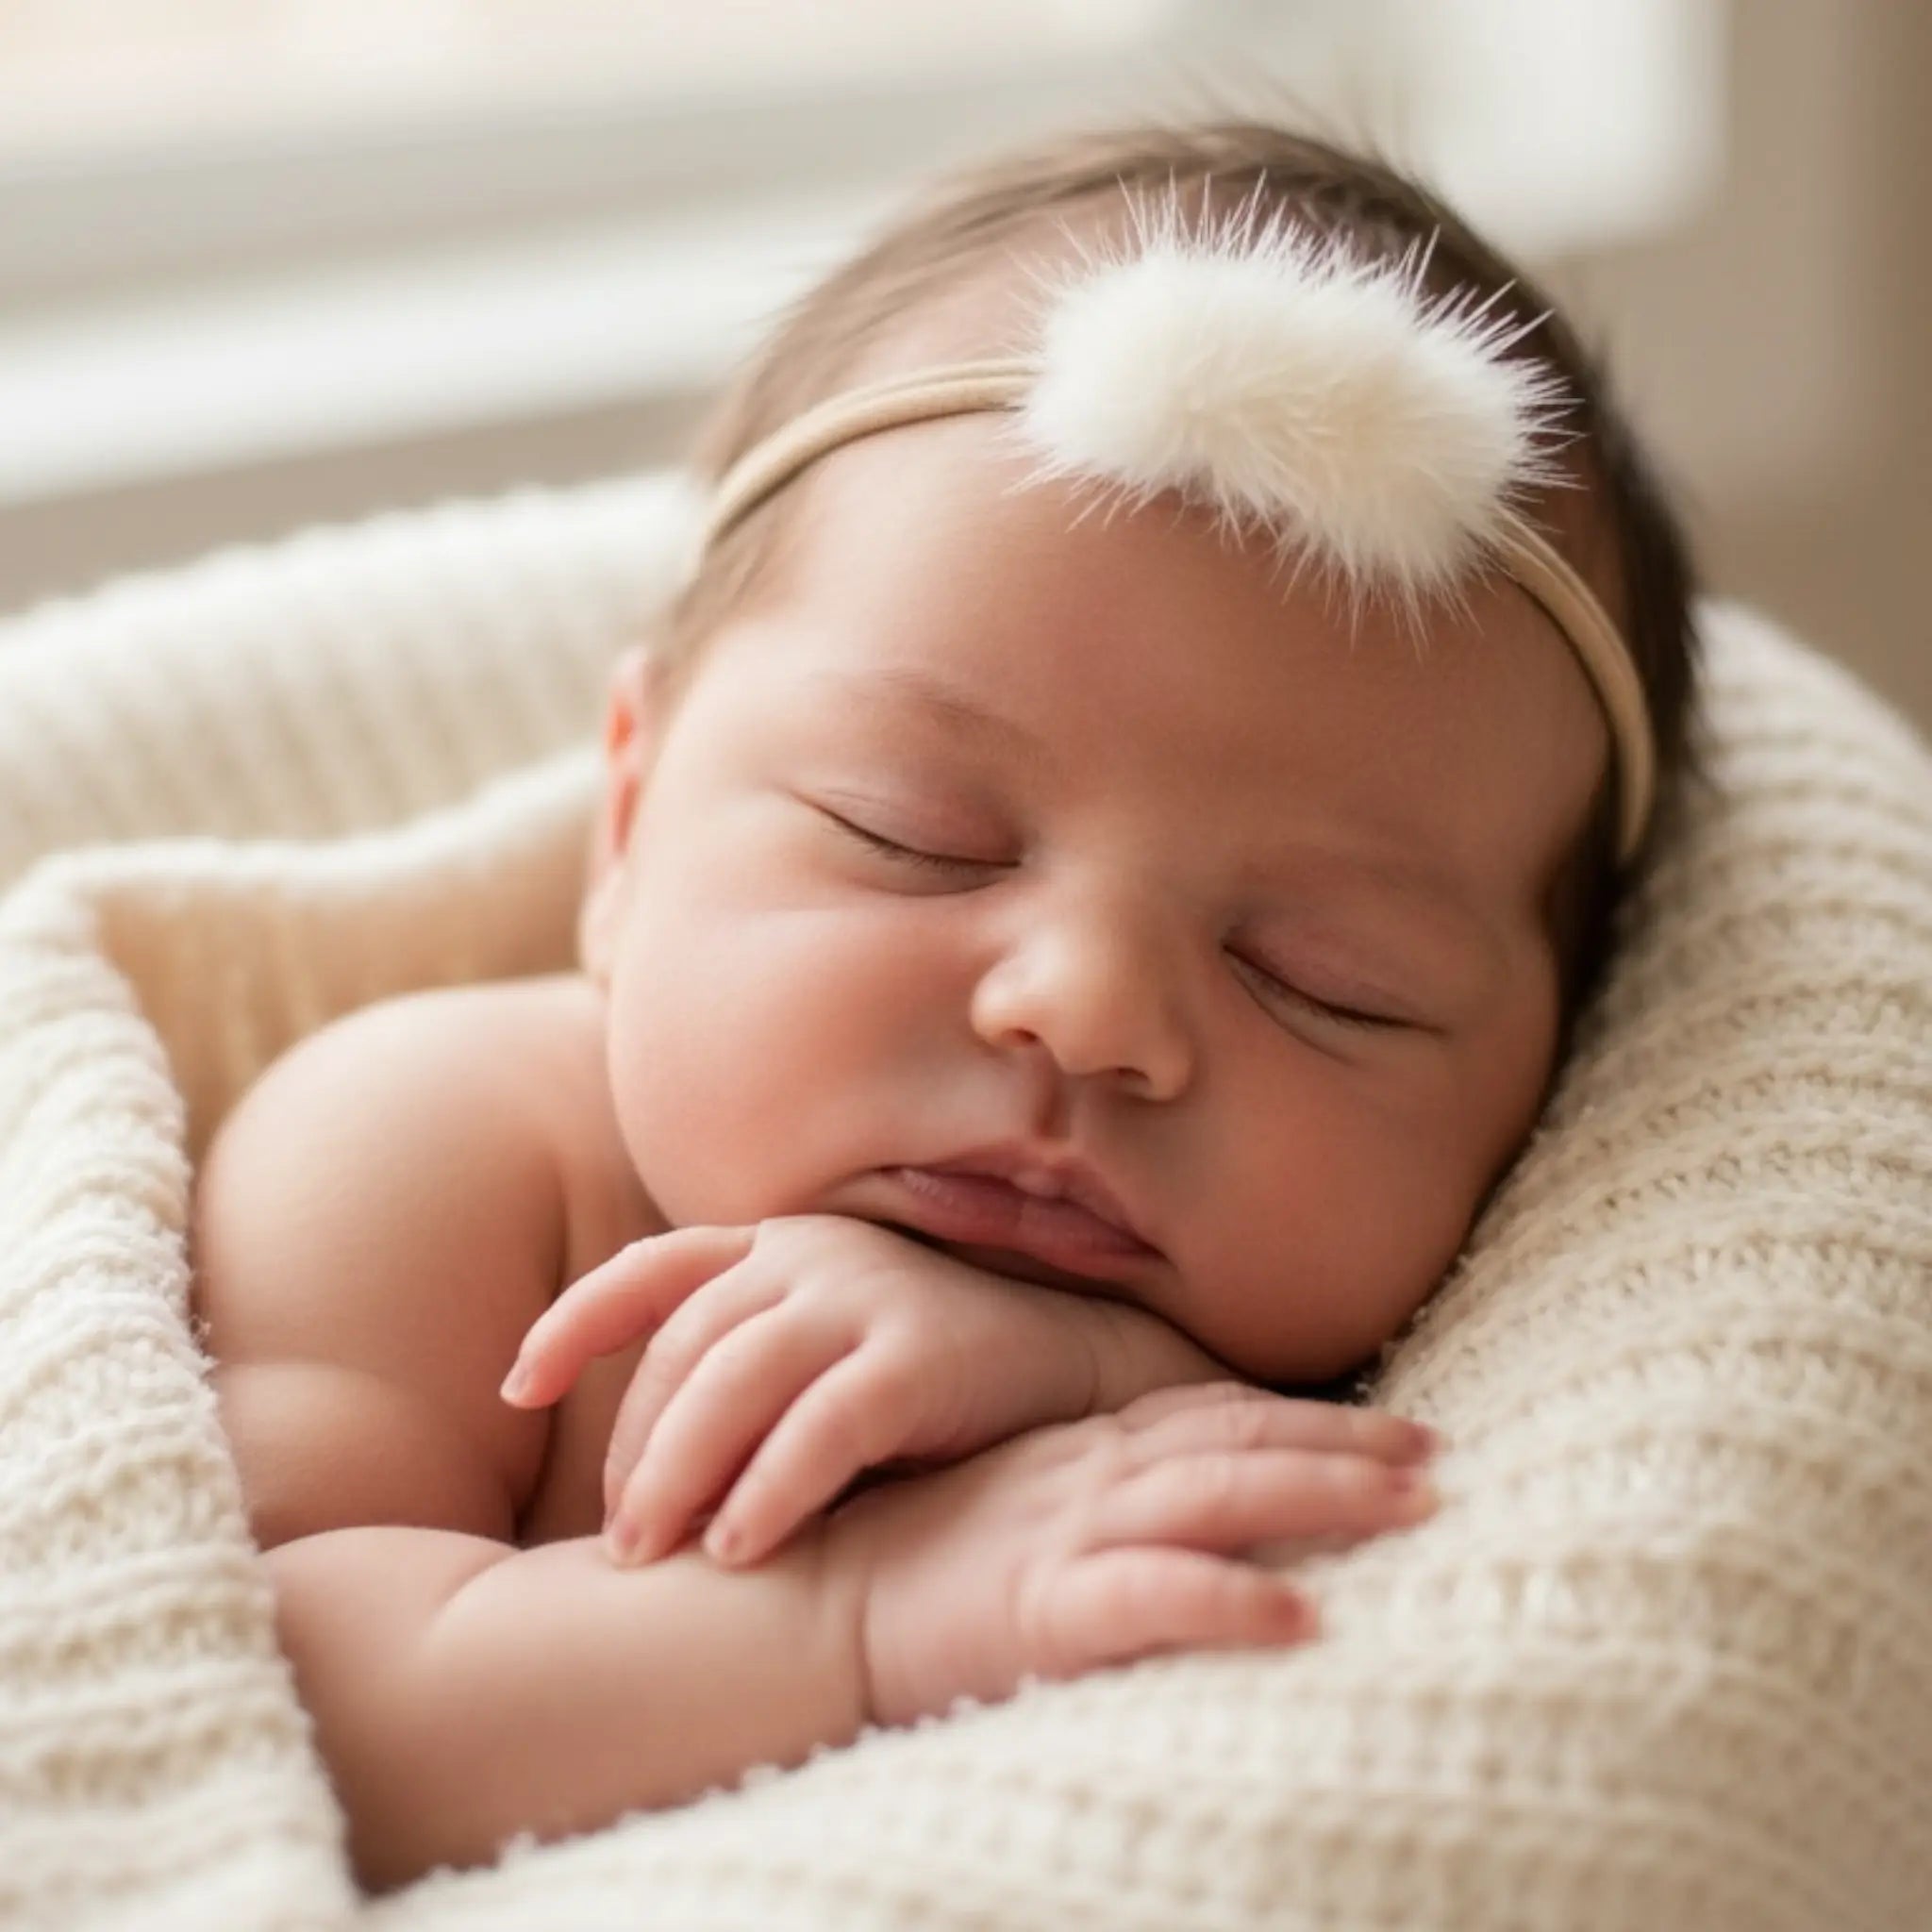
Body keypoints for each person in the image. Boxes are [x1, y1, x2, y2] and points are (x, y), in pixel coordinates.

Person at [188, 117, 1697, 1892]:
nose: (1086, 1008)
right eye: (914, 837)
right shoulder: (441, 1150)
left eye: (1324, 983)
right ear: (626, 819)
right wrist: (872, 1611)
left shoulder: (1387, 1375)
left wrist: (1105, 1382)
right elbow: (262, 1707)